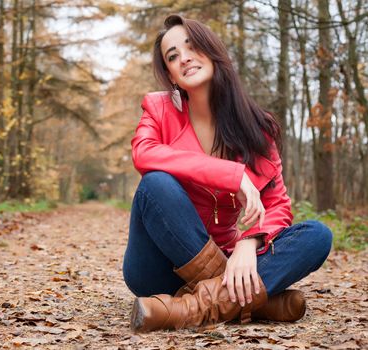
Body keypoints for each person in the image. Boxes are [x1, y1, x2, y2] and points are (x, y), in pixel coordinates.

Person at [122, 14, 333, 333]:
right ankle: (257, 301)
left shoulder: (256, 127)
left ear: (212, 50)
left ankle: (188, 308)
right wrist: (230, 175)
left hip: (234, 257)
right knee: (155, 184)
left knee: (318, 236)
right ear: (171, 75)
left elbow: (277, 205)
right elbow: (144, 153)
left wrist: (248, 243)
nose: (184, 58)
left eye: (192, 46)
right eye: (173, 56)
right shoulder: (158, 108)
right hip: (159, 269)